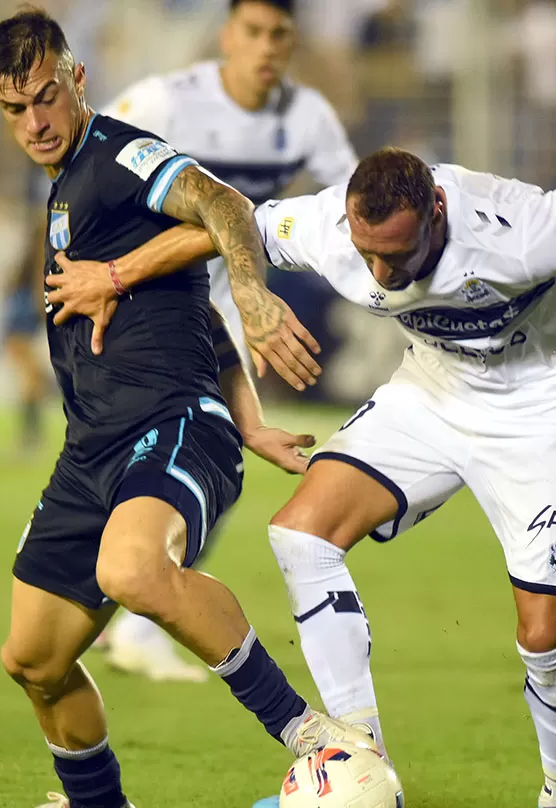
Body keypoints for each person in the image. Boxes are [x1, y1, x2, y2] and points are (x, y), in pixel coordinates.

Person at [47, 147, 556, 808]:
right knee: (301, 533)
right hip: (435, 391)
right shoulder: (333, 228)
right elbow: (223, 220)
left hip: (545, 404)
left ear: (437, 208)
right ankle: (356, 761)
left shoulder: (525, 231)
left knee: (543, 633)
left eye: (396, 256)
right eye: (369, 254)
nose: (380, 272)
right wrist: (112, 277)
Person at [0, 9, 373, 808]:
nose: (36, 121)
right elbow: (191, 308)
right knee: (34, 659)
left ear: (76, 79)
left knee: (132, 570)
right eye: (15, 109)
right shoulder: (64, 191)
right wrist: (256, 420)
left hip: (173, 425)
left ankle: (313, 737)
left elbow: (224, 205)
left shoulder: (121, 155)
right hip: (92, 450)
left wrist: (256, 292)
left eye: (47, 97)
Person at [88, 0, 359, 682]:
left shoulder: (308, 118)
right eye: (254, 32)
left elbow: (350, 206)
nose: (267, 48)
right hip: (144, 292)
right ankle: (133, 613)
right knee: (196, 455)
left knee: (190, 455)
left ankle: (114, 602)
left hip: (225, 300)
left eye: (280, 36)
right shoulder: (164, 101)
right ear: (226, 36)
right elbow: (85, 159)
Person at [3, 217, 51, 455]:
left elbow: (10, 282)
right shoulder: (43, 240)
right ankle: (31, 440)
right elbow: (37, 282)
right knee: (32, 380)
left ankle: (30, 440)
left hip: (16, 319)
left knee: (31, 380)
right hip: (23, 318)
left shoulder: (29, 246)